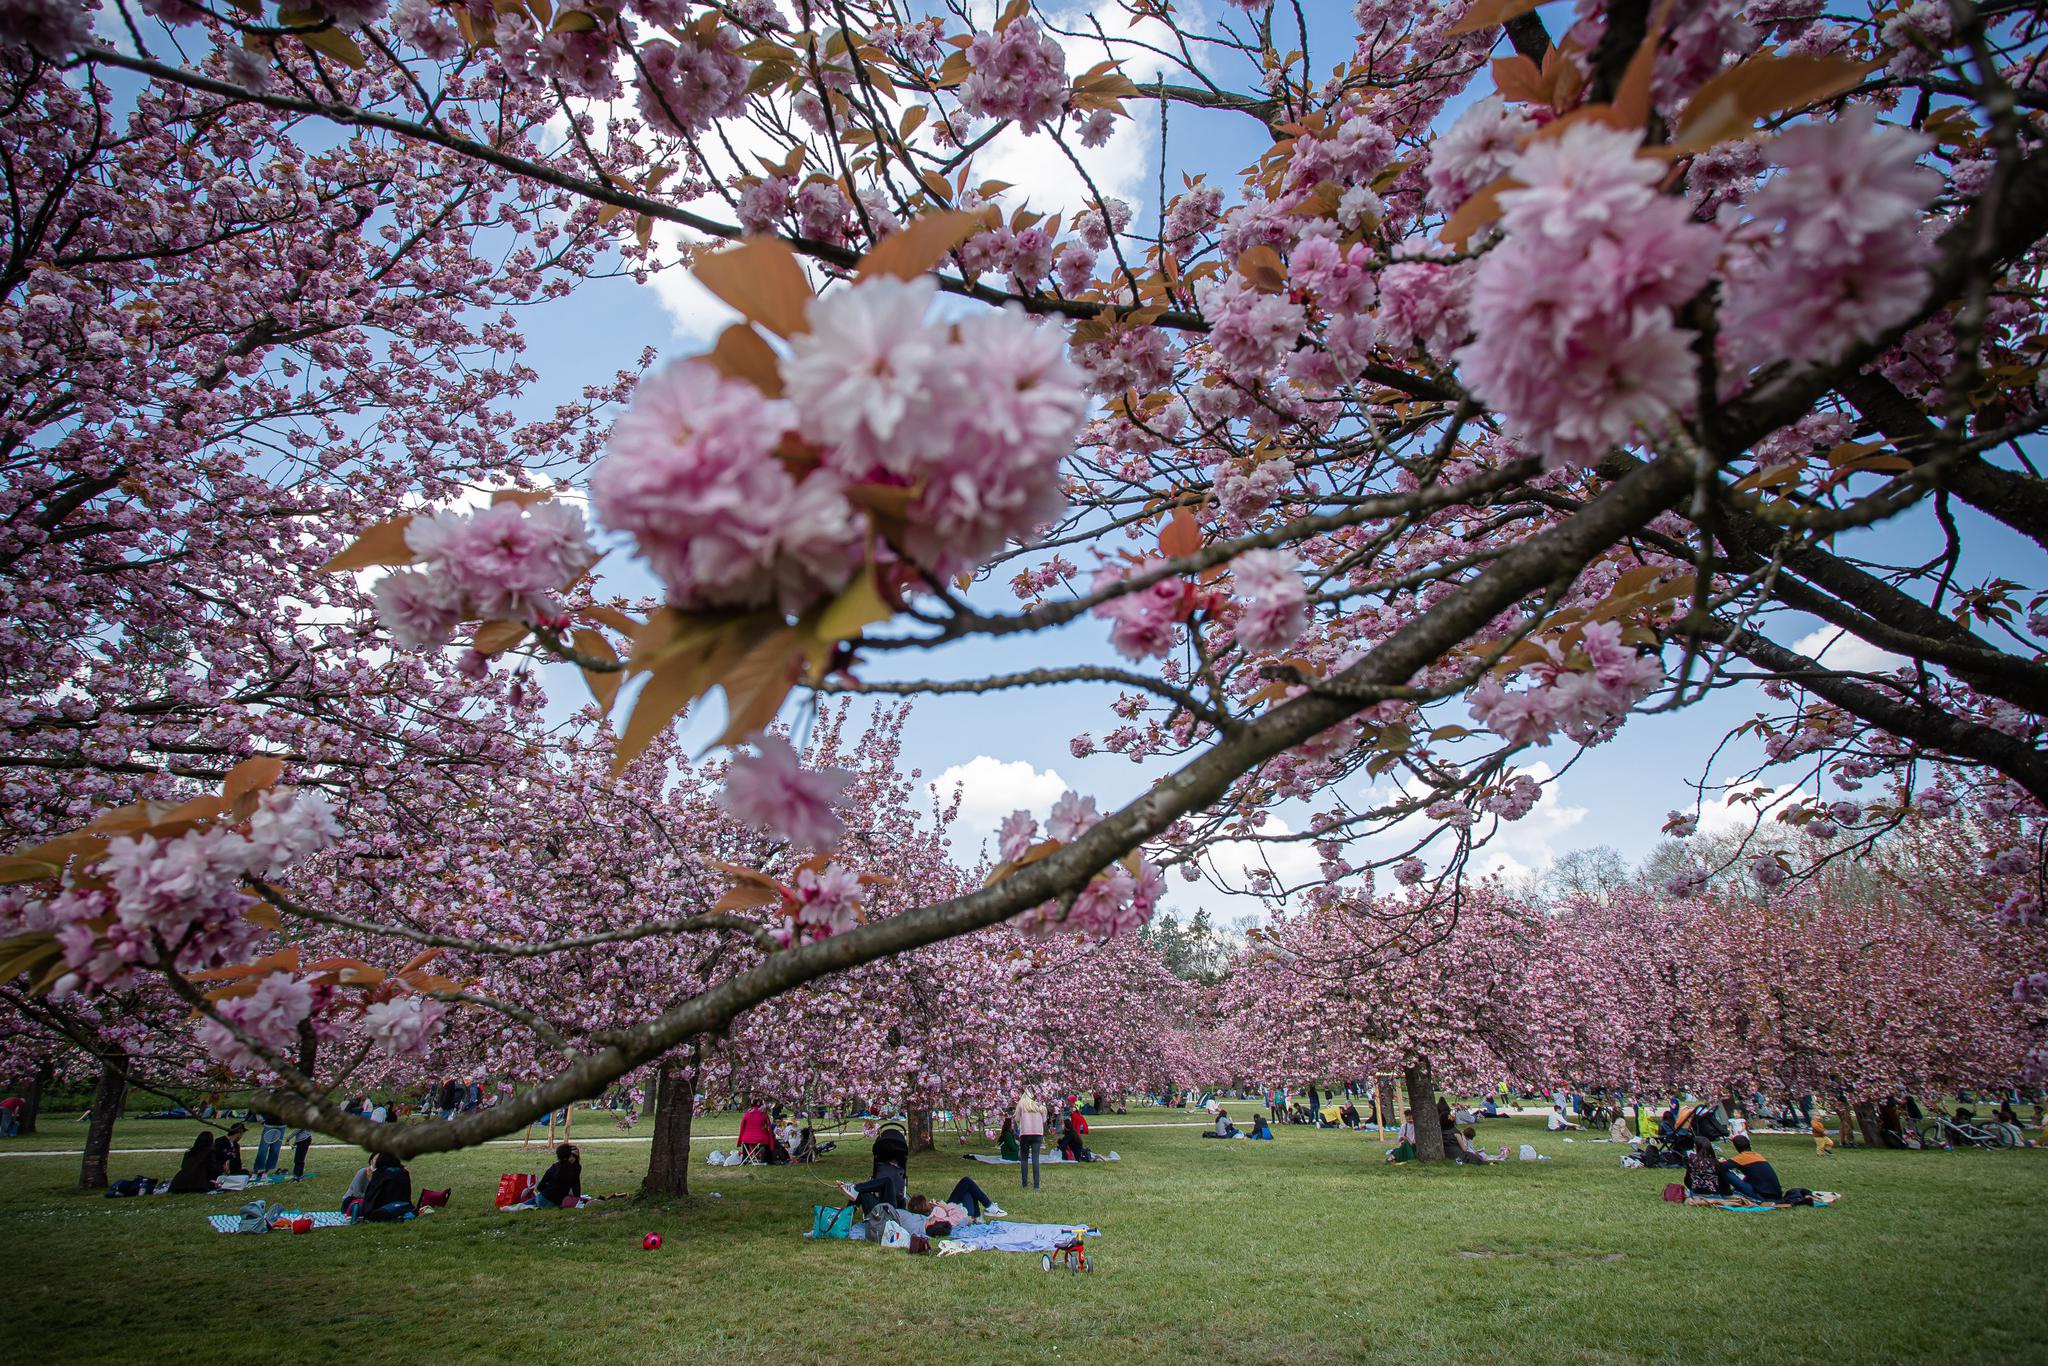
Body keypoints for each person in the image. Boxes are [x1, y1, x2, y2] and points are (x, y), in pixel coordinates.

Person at [907, 1176, 1007, 1235]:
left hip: (953, 1208)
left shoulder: (931, 1213)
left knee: (967, 1187)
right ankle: (988, 1207)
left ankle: (979, 1216)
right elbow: (955, 1219)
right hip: (963, 1214)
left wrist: (936, 1205)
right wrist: (945, 1207)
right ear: (924, 1206)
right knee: (966, 1182)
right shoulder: (935, 1217)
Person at [1718, 1133, 1783, 1200]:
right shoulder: (1758, 1156)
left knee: (1722, 1171)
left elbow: (1720, 1166)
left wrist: (1719, 1161)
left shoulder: (1742, 1158)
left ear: (1736, 1147)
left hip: (1761, 1195)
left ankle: (1726, 1193)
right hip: (1776, 1195)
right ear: (1749, 1144)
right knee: (1749, 1175)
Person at [359, 1151, 416, 1221]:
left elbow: (372, 1196)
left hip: (383, 1208)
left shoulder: (381, 1173)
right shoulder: (403, 1172)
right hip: (401, 1206)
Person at [1013, 1092, 1046, 1191]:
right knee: (1036, 1158)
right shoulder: (1040, 1105)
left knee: (1024, 1159)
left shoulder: (1021, 1103)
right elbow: (1044, 1120)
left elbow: (1017, 1118)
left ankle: (1024, 1184)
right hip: (1037, 1133)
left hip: (1025, 1133)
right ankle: (1036, 1186)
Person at [534, 1142, 582, 1208]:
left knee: (540, 1197)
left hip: (540, 1199)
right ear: (569, 1155)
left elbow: (540, 1187)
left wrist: (549, 1189)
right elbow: (576, 1188)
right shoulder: (575, 1168)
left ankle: (521, 1205)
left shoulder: (554, 1167)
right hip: (554, 1203)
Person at [251, 1112, 286, 1179]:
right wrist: (260, 1118)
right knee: (263, 1150)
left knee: (275, 1150)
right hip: (269, 1125)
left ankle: (265, 1173)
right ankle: (255, 1172)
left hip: (281, 1126)